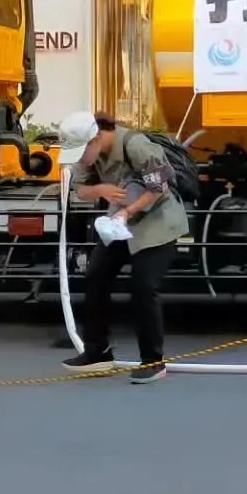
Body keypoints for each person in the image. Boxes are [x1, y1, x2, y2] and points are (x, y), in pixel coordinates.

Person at [59, 111, 188, 385]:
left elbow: (159, 187)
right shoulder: (90, 157)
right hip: (119, 222)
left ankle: (153, 361)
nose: (82, 158)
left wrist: (128, 211)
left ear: (95, 138)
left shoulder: (135, 145)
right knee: (95, 276)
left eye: (83, 151)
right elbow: (81, 189)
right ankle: (97, 352)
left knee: (143, 286)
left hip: (157, 222)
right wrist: (102, 190)